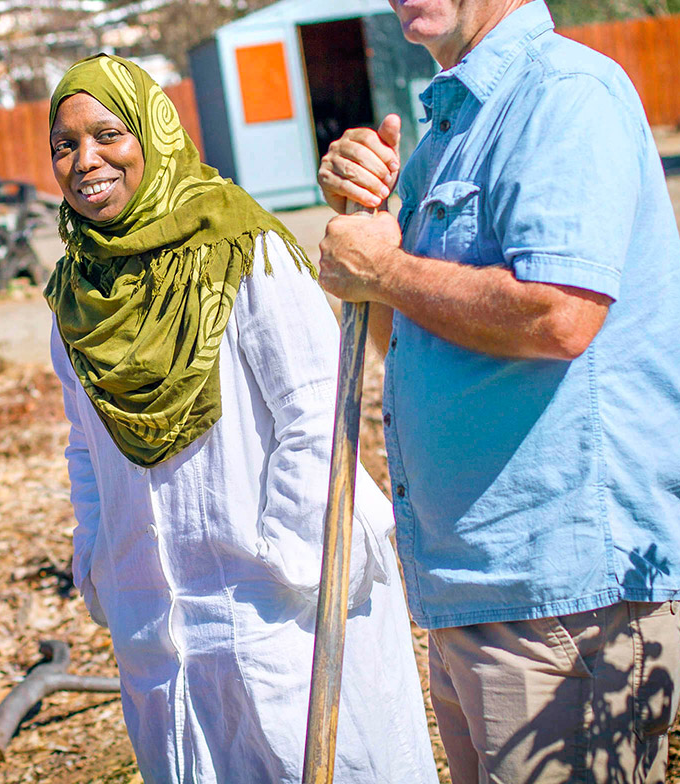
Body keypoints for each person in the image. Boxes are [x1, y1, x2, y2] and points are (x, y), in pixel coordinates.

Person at [317, 0, 680, 784]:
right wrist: (374, 227)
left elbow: (558, 316)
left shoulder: (564, 96)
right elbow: (420, 342)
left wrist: (381, 270)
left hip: (562, 596)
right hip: (477, 587)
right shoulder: (450, 119)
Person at [45, 53, 437, 784]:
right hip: (159, 623)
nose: (85, 160)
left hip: (281, 608)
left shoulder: (239, 248)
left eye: (107, 135)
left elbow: (317, 412)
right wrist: (100, 561)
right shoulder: (74, 295)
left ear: (153, 134)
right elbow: (84, 449)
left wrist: (283, 558)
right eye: (64, 145)